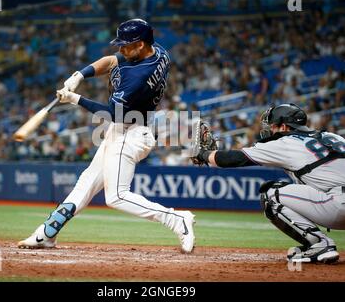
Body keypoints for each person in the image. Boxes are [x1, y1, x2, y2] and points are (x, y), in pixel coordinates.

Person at [18, 19, 195, 253]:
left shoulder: (138, 77)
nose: (120, 49)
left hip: (131, 132)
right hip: (127, 128)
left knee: (116, 196)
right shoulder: (158, 51)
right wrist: (80, 75)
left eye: (126, 45)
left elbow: (112, 113)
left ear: (140, 44)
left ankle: (177, 220)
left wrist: (75, 99)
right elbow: (111, 61)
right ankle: (46, 234)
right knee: (86, 183)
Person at [191, 103, 345, 263]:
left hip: (338, 205)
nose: (269, 130)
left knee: (271, 194)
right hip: (335, 198)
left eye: (272, 126)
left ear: (284, 126)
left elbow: (234, 159)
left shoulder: (286, 142)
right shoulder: (333, 137)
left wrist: (202, 154)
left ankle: (320, 244)